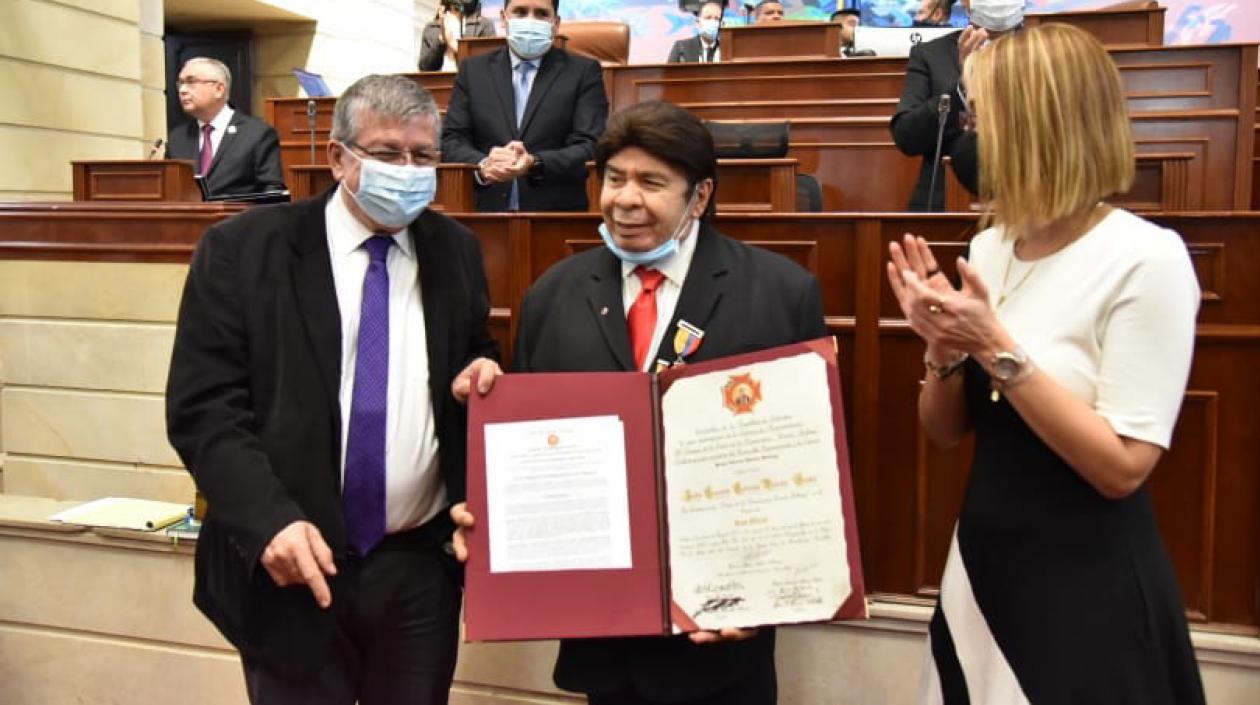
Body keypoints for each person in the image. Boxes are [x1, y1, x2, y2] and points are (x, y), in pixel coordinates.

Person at [451, 101, 827, 705]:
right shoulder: (552, 295)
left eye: (651, 182)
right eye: (614, 178)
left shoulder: (780, 293)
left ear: (700, 196)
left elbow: (809, 468)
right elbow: (531, 456)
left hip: (723, 642)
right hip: (604, 645)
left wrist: (770, 594)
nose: (625, 199)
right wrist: (491, 516)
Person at [886, 24, 1206, 704]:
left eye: (981, 117)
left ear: (1038, 126)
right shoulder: (992, 244)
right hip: (985, 559)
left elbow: (1122, 468)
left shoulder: (1145, 258)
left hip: (1086, 581)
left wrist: (995, 347)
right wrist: (942, 346)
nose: (969, 135)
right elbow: (944, 432)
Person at [166, 74, 502, 704]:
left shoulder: (454, 251)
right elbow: (204, 411)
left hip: (417, 570)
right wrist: (269, 523)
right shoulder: (244, 250)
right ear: (338, 157)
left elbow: (472, 353)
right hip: (291, 563)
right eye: (387, 152)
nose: (408, 171)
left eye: (423, 156)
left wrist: (480, 370)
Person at [441, 0, 609, 212]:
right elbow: (452, 140)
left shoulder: (583, 72)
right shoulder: (473, 71)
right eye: (520, 12)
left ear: (556, 23)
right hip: (483, 211)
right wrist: (484, 164)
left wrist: (535, 163)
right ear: (503, 18)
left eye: (541, 14)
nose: (530, 21)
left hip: (555, 215)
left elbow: (591, 146)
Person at [890, 0, 1021, 210]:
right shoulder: (931, 54)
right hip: (945, 201)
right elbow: (907, 137)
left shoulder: (1048, 51)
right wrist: (963, 86)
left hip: (1031, 200)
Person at [166, 57, 285, 197]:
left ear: (219, 89)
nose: (182, 90)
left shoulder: (257, 134)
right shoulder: (177, 138)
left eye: (191, 82)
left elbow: (272, 192)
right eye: (180, 83)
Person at [418, 0, 497, 72]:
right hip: (440, 82)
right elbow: (424, 69)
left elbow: (489, 69)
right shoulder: (432, 27)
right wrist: (441, 40)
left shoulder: (484, 26)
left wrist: (456, 47)